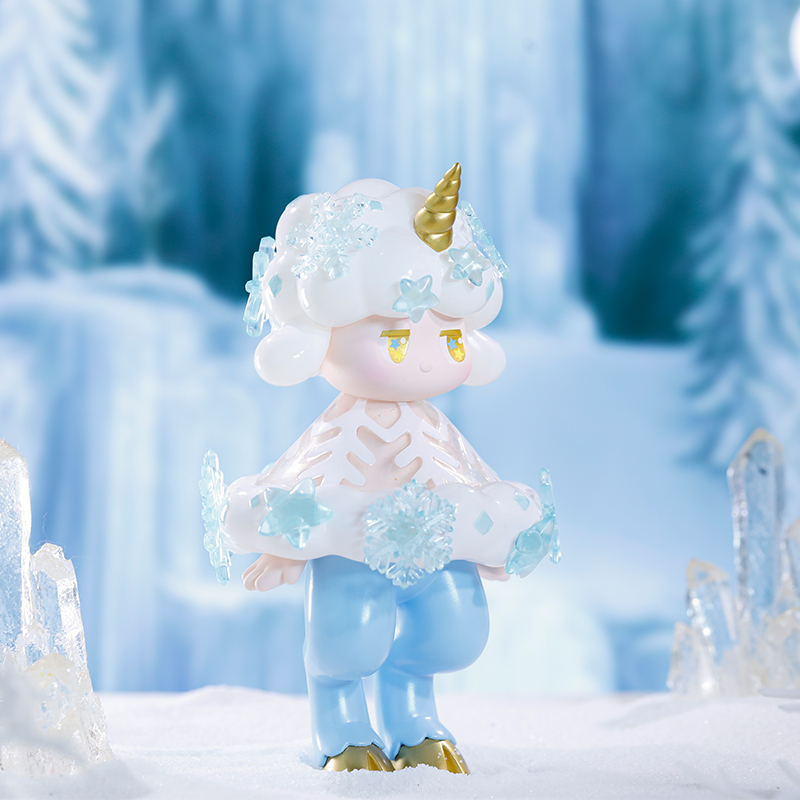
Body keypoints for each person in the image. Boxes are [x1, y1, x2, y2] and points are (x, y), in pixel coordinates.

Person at [215, 164, 559, 772]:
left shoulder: (437, 427)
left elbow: (470, 475)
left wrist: (495, 536)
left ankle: (412, 714)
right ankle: (340, 726)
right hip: (351, 548)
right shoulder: (339, 427)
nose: (427, 361)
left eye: (450, 341)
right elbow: (303, 475)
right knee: (347, 641)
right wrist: (286, 543)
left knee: (454, 632)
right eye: (397, 340)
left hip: (440, 545)